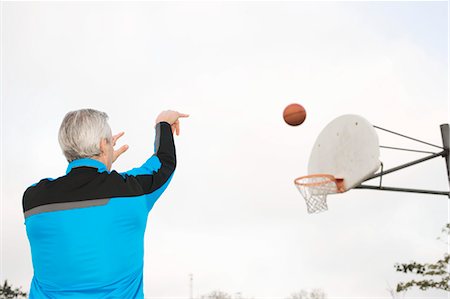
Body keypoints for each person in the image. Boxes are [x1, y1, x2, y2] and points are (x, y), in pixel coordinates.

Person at [22, 109, 189, 298]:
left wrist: (103, 162)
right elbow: (164, 163)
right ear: (103, 145)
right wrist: (163, 124)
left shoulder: (33, 199)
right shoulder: (133, 190)